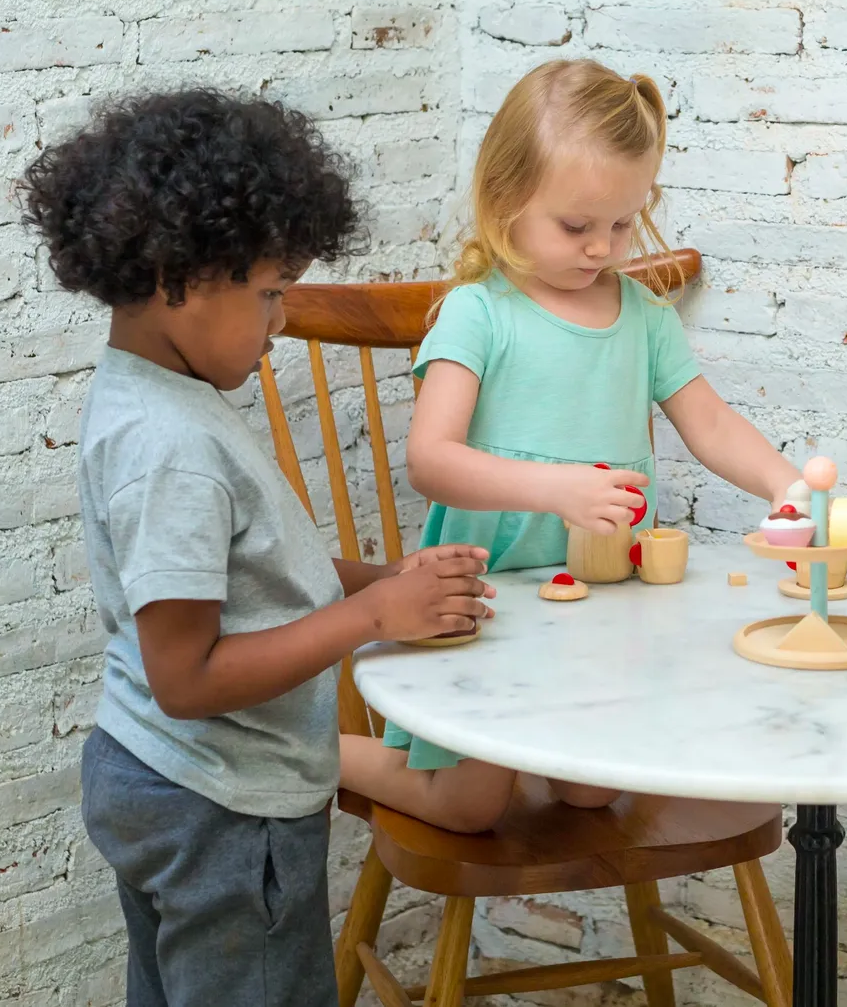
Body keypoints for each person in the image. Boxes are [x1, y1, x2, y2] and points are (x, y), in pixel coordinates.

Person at [23, 89, 496, 1007]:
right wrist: (368, 617)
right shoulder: (174, 450)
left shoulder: (160, 400)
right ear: (179, 276)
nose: (280, 322)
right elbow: (188, 678)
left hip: (161, 778)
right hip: (221, 807)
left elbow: (252, 578)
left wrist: (389, 580)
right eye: (270, 292)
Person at [338, 58, 803, 831]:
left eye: (622, 224)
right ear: (505, 201)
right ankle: (309, 755)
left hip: (606, 597)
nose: (602, 249)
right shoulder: (478, 315)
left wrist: (785, 483)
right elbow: (432, 459)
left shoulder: (645, 319)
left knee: (592, 787)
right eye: (577, 226)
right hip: (490, 599)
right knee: (469, 805)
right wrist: (556, 489)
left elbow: (711, 424)